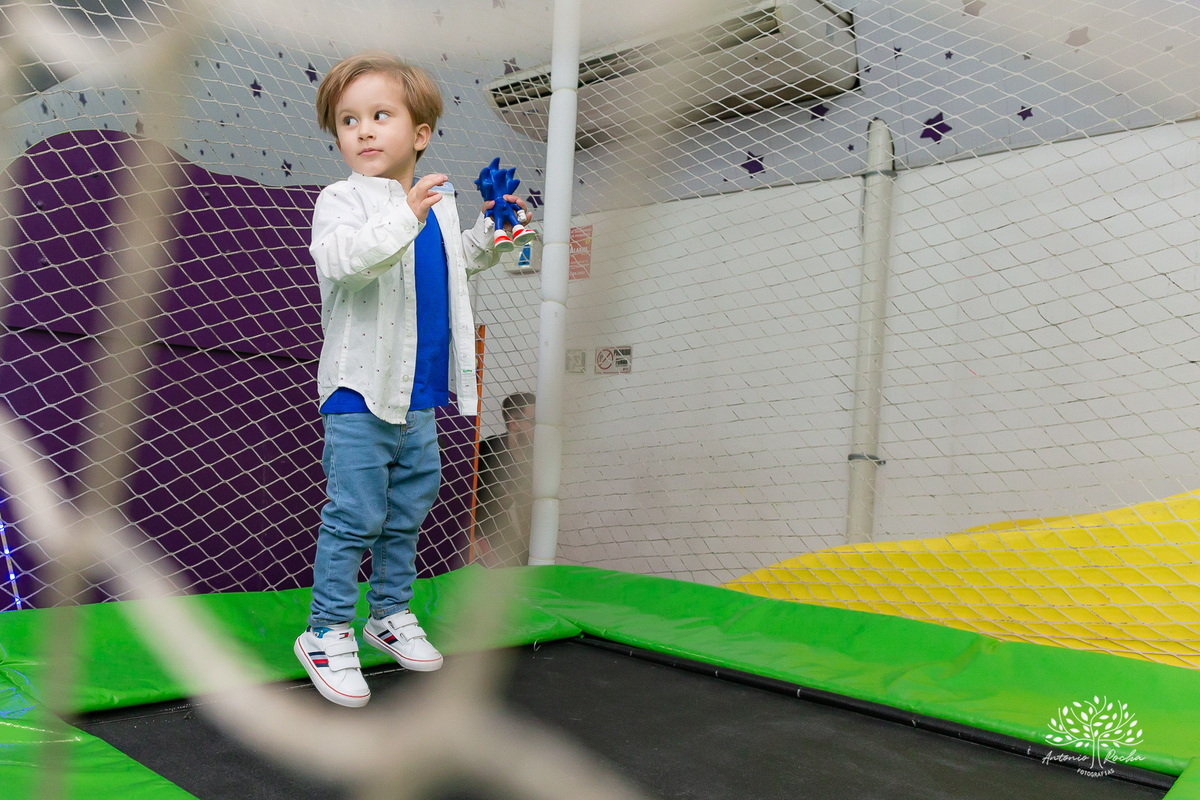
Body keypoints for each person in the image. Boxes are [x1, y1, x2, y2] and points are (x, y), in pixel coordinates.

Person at [294, 51, 527, 708]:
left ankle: (388, 613)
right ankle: (326, 631)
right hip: (360, 391)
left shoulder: (439, 203)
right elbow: (345, 263)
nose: (363, 131)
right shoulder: (340, 201)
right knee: (355, 515)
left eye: (380, 116)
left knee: (407, 513)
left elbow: (456, 267)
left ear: (419, 134)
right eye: (348, 121)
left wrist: (494, 232)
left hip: (419, 393)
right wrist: (409, 214)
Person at [475, 392, 536, 568]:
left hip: (512, 533)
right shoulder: (486, 453)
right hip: (477, 533)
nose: (539, 428)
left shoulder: (539, 455)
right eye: (533, 422)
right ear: (514, 425)